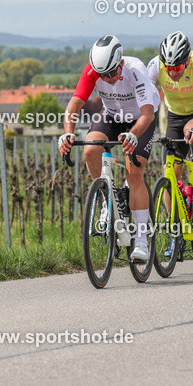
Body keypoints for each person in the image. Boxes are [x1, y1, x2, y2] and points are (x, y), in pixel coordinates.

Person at [61, 35, 160, 261]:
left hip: (141, 119)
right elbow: (74, 105)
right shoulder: (92, 70)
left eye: (112, 72)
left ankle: (141, 240)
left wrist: (134, 135)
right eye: (102, 75)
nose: (108, 78)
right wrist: (68, 132)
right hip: (112, 115)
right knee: (90, 149)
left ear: (121, 62)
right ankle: (108, 200)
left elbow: (147, 113)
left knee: (134, 172)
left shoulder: (135, 70)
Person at [147, 31, 193, 212]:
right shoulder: (155, 65)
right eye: (168, 68)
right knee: (170, 172)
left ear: (186, 61)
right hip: (175, 116)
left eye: (177, 67)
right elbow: (144, 100)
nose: (172, 73)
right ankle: (175, 224)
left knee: (191, 130)